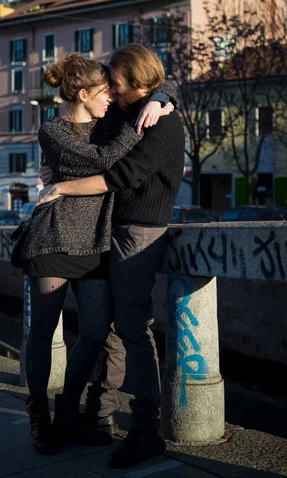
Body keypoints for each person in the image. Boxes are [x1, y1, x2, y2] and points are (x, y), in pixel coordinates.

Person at [38, 43, 185, 469]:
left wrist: (62, 188)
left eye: (118, 86)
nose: (113, 92)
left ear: (139, 83)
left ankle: (145, 431)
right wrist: (57, 169)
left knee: (135, 329)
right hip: (109, 229)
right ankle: (95, 412)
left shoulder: (164, 126)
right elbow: (87, 144)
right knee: (111, 329)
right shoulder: (128, 111)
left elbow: (120, 175)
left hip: (138, 232)